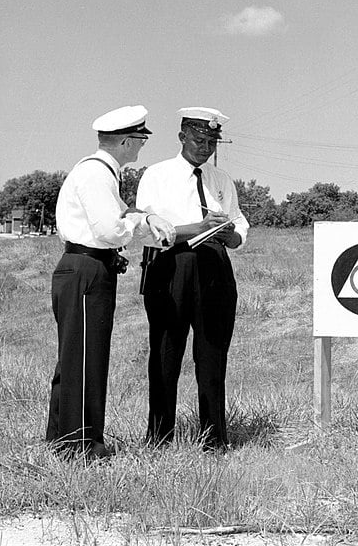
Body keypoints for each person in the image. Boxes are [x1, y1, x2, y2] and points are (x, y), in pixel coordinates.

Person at [46, 105, 176, 460]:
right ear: (125, 141)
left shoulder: (102, 172)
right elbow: (110, 228)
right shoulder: (97, 175)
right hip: (87, 269)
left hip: (86, 268)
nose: (141, 146)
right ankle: (82, 445)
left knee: (75, 356)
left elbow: (123, 210)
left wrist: (145, 215)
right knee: (86, 358)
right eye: (139, 139)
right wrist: (135, 224)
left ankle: (62, 438)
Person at [136, 107, 249, 450]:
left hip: (215, 267)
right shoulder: (157, 175)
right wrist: (193, 229)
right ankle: (159, 437)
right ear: (182, 136)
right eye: (199, 139)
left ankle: (214, 438)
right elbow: (145, 229)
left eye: (212, 141)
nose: (205, 147)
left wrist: (233, 236)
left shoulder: (221, 180)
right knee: (166, 352)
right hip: (171, 265)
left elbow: (239, 220)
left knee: (213, 353)